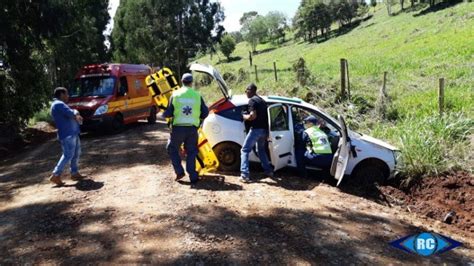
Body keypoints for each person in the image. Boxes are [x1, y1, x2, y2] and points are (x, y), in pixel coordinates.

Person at [163, 73, 208, 185]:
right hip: (192, 129)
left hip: (178, 129)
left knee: (171, 148)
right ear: (191, 83)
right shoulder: (197, 95)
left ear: (181, 81)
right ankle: (193, 176)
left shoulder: (175, 94)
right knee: (191, 152)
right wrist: (198, 121)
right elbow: (205, 112)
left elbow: (168, 113)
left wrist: (163, 114)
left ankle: (179, 171)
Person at [49, 87, 85, 186]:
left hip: (72, 132)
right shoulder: (58, 104)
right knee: (68, 155)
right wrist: (76, 112)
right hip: (68, 134)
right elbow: (71, 113)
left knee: (76, 153)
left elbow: (71, 112)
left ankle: (74, 173)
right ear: (61, 94)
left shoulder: (59, 104)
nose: (68, 96)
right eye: (66, 94)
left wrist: (75, 112)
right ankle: (55, 175)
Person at [240, 83, 273, 183]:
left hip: (256, 130)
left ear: (251, 90)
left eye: (246, 91)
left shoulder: (252, 100)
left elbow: (252, 116)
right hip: (264, 130)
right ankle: (268, 171)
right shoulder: (262, 101)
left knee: (244, 150)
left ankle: (244, 175)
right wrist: (267, 132)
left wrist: (243, 116)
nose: (246, 93)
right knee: (261, 150)